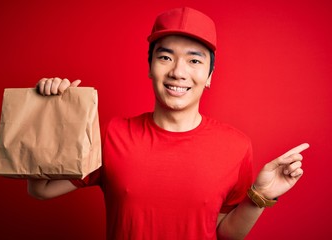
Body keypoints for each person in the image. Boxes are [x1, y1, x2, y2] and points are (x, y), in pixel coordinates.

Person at [28, 7, 309, 240]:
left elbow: (225, 234)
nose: (178, 71)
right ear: (150, 67)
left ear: (209, 75)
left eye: (194, 60)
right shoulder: (112, 135)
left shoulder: (236, 146)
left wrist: (259, 196)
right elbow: (40, 190)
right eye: (165, 57)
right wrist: (50, 113)